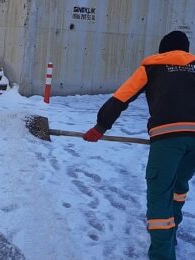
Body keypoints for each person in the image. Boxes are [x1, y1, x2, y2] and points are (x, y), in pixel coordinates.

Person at [83, 30, 195, 260]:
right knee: (179, 185)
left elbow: (121, 97)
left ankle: (162, 254)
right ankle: (171, 233)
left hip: (168, 137)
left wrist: (100, 127)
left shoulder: (152, 66)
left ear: (162, 50)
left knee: (159, 196)